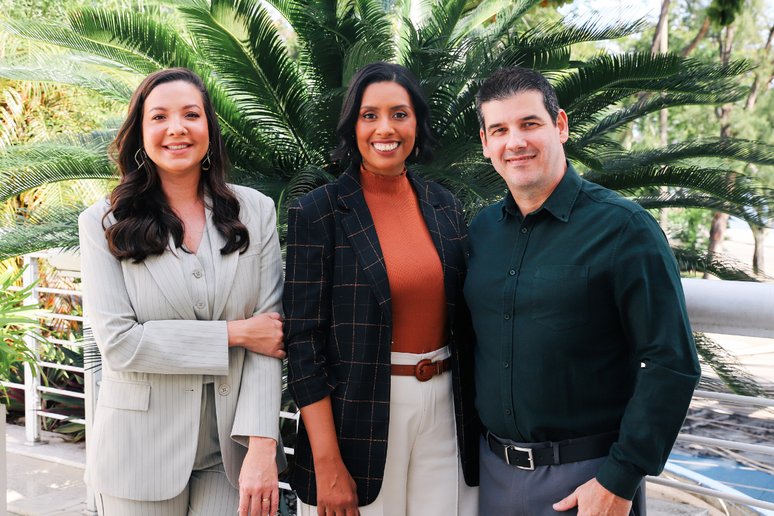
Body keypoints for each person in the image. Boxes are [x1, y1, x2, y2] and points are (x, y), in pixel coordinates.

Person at [463, 66, 701, 516]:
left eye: (529, 123)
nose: (515, 142)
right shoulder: (481, 231)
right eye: (500, 130)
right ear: (485, 143)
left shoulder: (625, 228)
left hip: (587, 483)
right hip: (490, 477)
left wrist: (619, 480)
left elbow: (672, 362)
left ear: (560, 126)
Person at [79, 67, 286, 516]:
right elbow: (120, 344)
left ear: (209, 127)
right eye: (159, 117)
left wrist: (262, 445)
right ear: (140, 133)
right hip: (137, 456)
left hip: (233, 454)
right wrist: (235, 333)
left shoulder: (256, 211)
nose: (177, 128)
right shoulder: (103, 223)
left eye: (191, 114)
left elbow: (270, 336)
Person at [284, 61, 479, 516]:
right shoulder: (318, 212)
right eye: (369, 115)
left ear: (417, 123)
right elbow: (303, 344)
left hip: (448, 413)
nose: (385, 128)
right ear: (352, 125)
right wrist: (327, 461)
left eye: (399, 114)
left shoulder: (446, 207)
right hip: (358, 416)